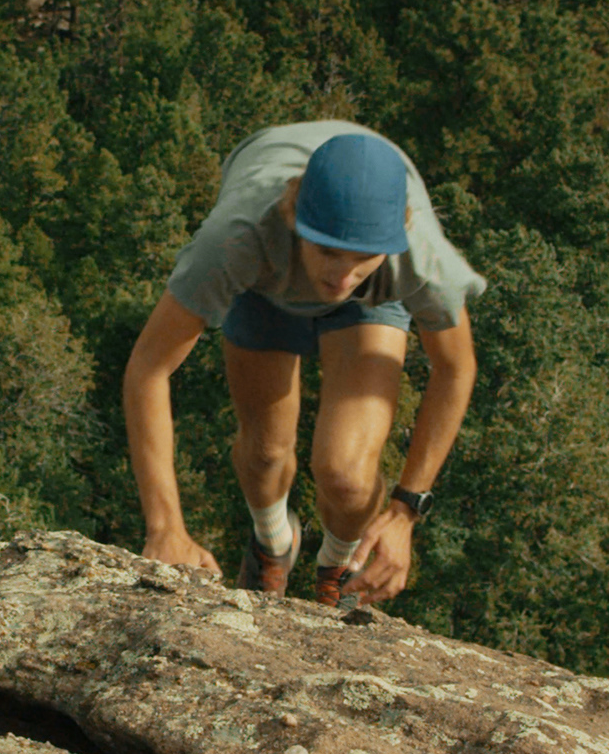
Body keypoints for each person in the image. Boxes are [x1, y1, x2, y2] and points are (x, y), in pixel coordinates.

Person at [122, 121, 483, 604]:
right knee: (264, 455)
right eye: (329, 251)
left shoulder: (418, 257)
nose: (342, 276)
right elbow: (148, 367)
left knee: (348, 478)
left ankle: (338, 568)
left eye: (363, 256)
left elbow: (456, 368)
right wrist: (165, 527)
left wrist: (404, 512)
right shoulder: (241, 238)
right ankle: (272, 543)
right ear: (292, 213)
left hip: (370, 302)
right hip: (269, 281)